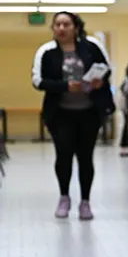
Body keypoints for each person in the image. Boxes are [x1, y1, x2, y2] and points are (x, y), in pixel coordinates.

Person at [31, 12, 114, 220]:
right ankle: (64, 197)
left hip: (89, 111)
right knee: (64, 154)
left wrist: (98, 82)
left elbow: (106, 69)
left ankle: (85, 201)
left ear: (75, 27)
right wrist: (65, 86)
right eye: (57, 24)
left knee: (86, 157)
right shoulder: (47, 51)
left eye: (66, 24)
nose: (61, 28)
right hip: (60, 113)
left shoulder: (91, 46)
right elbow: (38, 81)